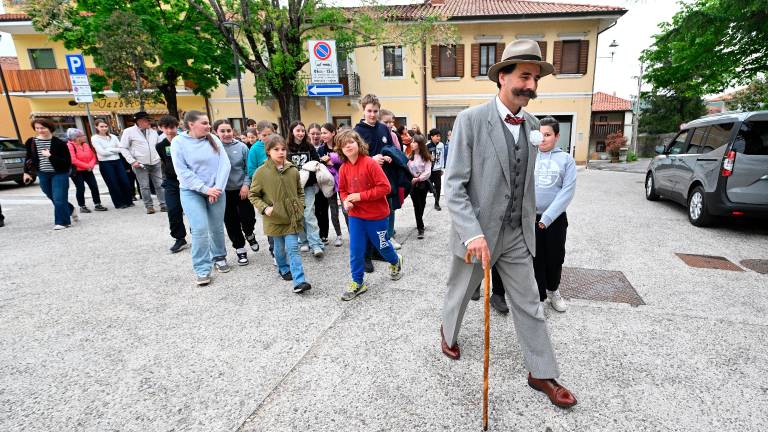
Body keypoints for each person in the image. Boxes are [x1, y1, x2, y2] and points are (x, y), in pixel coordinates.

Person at [440, 40, 576, 408]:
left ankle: (541, 372)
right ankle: (447, 333)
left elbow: (525, 182)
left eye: (536, 79)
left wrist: (535, 221)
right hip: (477, 233)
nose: (531, 85)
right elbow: (454, 185)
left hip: (516, 233)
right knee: (459, 293)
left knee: (530, 302)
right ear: (503, 76)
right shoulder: (470, 120)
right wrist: (472, 233)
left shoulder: (532, 125)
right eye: (525, 77)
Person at [336, 129, 403, 301]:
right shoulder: (343, 168)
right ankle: (358, 282)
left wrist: (360, 196)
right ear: (340, 149)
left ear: (358, 143)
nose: (348, 146)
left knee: (382, 246)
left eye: (351, 142)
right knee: (356, 250)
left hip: (376, 216)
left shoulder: (370, 163)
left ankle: (395, 261)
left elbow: (385, 187)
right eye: (344, 144)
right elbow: (342, 190)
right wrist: (345, 201)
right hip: (356, 216)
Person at [171, 110, 232, 286]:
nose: (208, 126)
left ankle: (219, 256)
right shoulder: (178, 142)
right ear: (191, 125)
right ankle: (202, 268)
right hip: (192, 191)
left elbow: (224, 165)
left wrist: (216, 189)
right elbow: (182, 172)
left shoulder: (214, 139)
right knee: (199, 228)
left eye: (208, 122)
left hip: (216, 190)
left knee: (216, 226)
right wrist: (206, 190)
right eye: (204, 123)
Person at [249, 134, 312, 294]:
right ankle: (283, 267)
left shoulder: (293, 170)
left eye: (283, 149)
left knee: (293, 248)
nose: (281, 152)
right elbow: (253, 195)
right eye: (276, 149)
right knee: (279, 248)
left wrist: (301, 205)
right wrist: (265, 208)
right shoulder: (261, 172)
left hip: (292, 217)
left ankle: (299, 281)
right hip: (274, 219)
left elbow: (300, 191)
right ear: (268, 151)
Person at [532, 116, 576, 312]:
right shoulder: (530, 158)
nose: (543, 139)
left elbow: (567, 191)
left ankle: (553, 290)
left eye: (548, 134)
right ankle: (540, 297)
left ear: (557, 136)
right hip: (532, 219)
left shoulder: (566, 160)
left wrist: (547, 218)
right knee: (536, 259)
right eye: (540, 134)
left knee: (555, 257)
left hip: (555, 220)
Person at [354, 94, 397, 271]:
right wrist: (372, 159)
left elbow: (389, 148)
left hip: (383, 180)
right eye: (369, 111)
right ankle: (365, 256)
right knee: (367, 219)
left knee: (381, 217)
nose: (372, 114)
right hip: (365, 182)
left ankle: (378, 250)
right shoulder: (357, 132)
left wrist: (388, 156)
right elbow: (354, 157)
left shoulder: (383, 128)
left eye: (375, 111)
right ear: (363, 110)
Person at [214, 119, 259, 265]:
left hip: (242, 190)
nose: (226, 134)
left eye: (229, 130)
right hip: (224, 192)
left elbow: (248, 168)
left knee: (248, 218)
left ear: (233, 131)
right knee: (231, 221)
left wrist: (246, 185)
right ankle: (240, 249)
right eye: (222, 131)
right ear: (216, 132)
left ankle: (249, 234)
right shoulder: (213, 148)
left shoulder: (242, 147)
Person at [23, 118, 77, 229]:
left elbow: (66, 163)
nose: (40, 130)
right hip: (42, 173)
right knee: (51, 195)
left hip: (59, 173)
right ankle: (70, 209)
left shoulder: (60, 143)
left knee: (59, 198)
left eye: (43, 128)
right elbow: (28, 158)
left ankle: (62, 222)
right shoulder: (31, 142)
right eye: (37, 128)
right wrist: (26, 172)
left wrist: (50, 156)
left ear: (50, 128)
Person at [287, 121, 324, 258]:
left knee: (309, 213)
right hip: (292, 187)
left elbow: (317, 163)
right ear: (292, 132)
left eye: (302, 130)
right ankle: (303, 240)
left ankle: (316, 244)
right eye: (298, 130)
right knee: (298, 214)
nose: (301, 133)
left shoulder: (309, 146)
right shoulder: (286, 148)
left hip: (308, 186)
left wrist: (313, 181)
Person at [120, 111, 166, 214]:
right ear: (139, 121)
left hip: (155, 162)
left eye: (148, 120)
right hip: (140, 163)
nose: (149, 122)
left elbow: (159, 146)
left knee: (159, 184)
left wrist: (160, 158)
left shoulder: (153, 132)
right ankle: (149, 206)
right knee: (144, 186)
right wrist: (132, 161)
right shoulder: (128, 131)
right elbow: (123, 147)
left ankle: (163, 205)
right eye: (146, 120)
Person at [156, 115, 189, 253]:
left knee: (192, 209)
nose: (170, 131)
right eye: (166, 128)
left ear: (177, 127)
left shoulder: (185, 142)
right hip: (171, 182)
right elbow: (166, 162)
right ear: (161, 128)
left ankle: (198, 234)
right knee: (173, 210)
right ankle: (179, 238)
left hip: (187, 180)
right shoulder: (160, 146)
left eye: (172, 127)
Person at [91, 119, 133, 209]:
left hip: (118, 161)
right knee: (113, 183)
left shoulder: (113, 137)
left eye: (105, 126)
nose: (104, 128)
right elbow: (102, 152)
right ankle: (119, 203)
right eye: (101, 126)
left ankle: (128, 201)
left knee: (125, 181)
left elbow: (121, 149)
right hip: (105, 163)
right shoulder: (95, 138)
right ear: (96, 127)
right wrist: (114, 150)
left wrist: (109, 149)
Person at [247, 121, 274, 262]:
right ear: (258, 134)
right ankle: (274, 250)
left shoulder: (277, 145)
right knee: (270, 219)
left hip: (279, 188)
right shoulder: (254, 149)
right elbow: (251, 171)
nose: (267, 138)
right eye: (264, 135)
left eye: (270, 134)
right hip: (265, 190)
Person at [315, 123, 344, 246]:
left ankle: (353, 234)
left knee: (346, 209)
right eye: (321, 133)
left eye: (325, 132)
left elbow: (346, 161)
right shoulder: (321, 149)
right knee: (333, 210)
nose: (323, 135)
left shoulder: (341, 146)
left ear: (333, 133)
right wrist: (325, 163)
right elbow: (319, 165)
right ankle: (339, 235)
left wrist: (333, 163)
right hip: (329, 182)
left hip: (342, 180)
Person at [66, 128, 107, 213]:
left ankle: (97, 204)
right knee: (81, 188)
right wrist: (87, 166)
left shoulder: (85, 145)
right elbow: (73, 160)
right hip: (77, 172)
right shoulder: (70, 145)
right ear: (76, 137)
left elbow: (93, 156)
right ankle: (82, 206)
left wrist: (91, 165)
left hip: (88, 170)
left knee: (94, 186)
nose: (84, 136)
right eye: (82, 135)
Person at [407, 134, 432, 239]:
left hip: (423, 184)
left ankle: (419, 220)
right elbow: (406, 169)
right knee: (417, 205)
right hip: (413, 185)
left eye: (414, 142)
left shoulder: (425, 157)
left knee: (422, 204)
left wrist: (419, 178)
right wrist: (412, 177)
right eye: (411, 142)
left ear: (420, 144)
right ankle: (420, 228)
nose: (412, 144)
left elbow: (428, 172)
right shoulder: (409, 156)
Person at [427, 128, 445, 211]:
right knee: (429, 186)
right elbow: (425, 156)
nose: (438, 138)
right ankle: (432, 189)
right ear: (432, 137)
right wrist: (429, 157)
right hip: (430, 170)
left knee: (438, 187)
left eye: (439, 136)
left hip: (437, 169)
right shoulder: (428, 146)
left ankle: (437, 203)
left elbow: (442, 157)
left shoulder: (441, 145)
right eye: (436, 136)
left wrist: (442, 168)